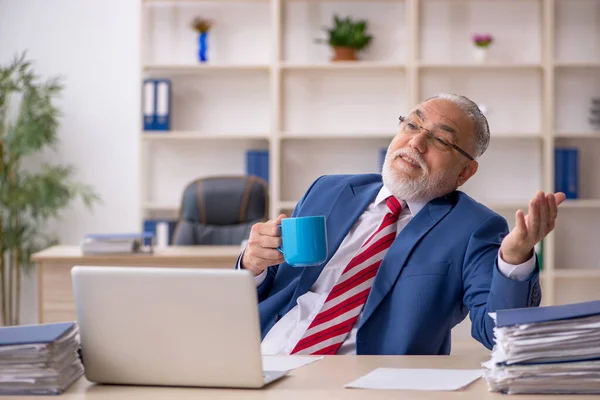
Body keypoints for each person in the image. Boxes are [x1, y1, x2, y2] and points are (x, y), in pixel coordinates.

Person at [237, 93, 565, 356]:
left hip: (367, 382)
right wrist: (253, 265)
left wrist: (515, 259)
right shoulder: (328, 190)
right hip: (263, 361)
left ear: (464, 172)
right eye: (411, 125)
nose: (415, 143)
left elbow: (499, 334)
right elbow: (270, 292)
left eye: (440, 140)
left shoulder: (475, 227)